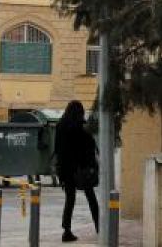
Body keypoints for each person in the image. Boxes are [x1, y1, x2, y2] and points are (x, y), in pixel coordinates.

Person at [55, 100, 100, 242]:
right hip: (81, 169)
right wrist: (92, 166)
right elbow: (88, 149)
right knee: (91, 198)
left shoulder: (60, 126)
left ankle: (66, 230)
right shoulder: (79, 128)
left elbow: (58, 150)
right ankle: (100, 227)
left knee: (70, 200)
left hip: (66, 170)